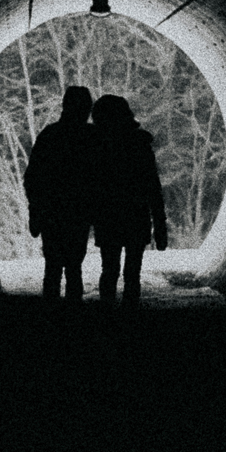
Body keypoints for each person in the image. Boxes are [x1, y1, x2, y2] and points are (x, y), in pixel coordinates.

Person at [22, 86, 101, 302]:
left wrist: (35, 210)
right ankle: (73, 324)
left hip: (52, 214)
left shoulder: (49, 135)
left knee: (53, 269)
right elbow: (102, 177)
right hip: (79, 213)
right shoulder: (91, 137)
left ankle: (52, 324)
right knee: (74, 268)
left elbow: (32, 178)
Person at [91, 94, 166, 309]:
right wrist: (160, 224)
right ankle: (131, 325)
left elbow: (90, 185)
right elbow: (153, 187)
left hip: (108, 218)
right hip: (137, 216)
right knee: (132, 273)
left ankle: (108, 321)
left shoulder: (98, 145)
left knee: (109, 270)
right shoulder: (140, 144)